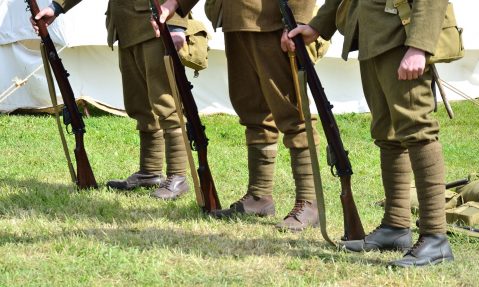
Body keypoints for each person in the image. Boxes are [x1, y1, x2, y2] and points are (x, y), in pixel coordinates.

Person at [285, 0, 454, 267]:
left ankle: (435, 237)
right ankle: (396, 226)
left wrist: (419, 45)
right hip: (373, 35)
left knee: (417, 130)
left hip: (404, 34)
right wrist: (318, 26)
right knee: (387, 132)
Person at [156, 0, 322, 232]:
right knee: (252, 111)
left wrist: (299, 19)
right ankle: (259, 195)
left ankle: (309, 202)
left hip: (274, 21)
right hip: (235, 20)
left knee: (292, 113)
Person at [32, 0, 190, 200]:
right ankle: (149, 172)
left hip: (157, 25)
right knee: (139, 105)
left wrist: (176, 26)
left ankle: (177, 177)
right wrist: (56, 7)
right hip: (125, 28)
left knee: (166, 105)